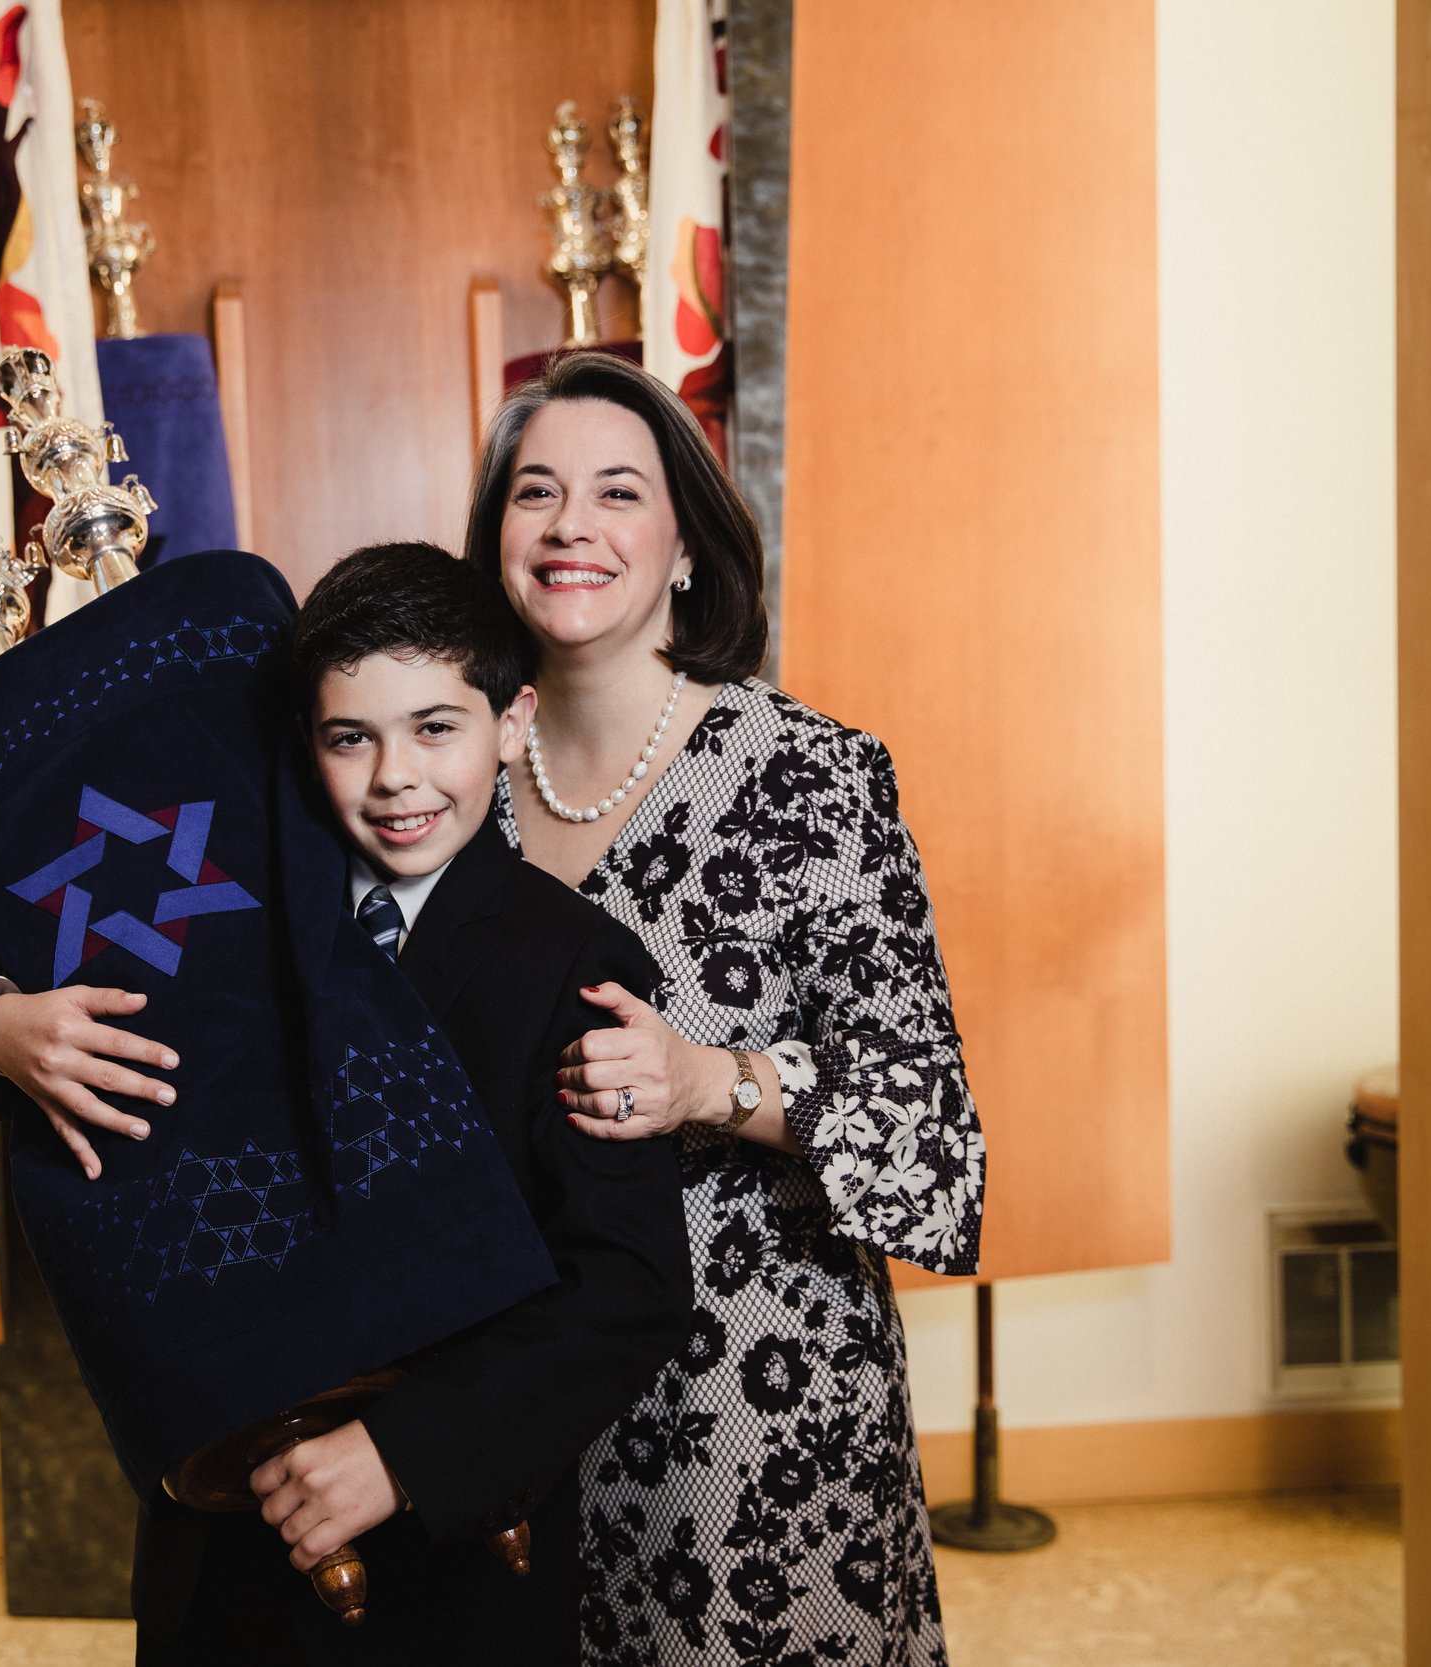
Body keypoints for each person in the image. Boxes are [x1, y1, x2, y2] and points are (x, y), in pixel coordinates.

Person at [0, 542, 693, 1665]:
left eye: (436, 726)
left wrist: (402, 1452)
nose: (396, 777)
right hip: (214, 1541)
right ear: (305, 738)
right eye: (352, 736)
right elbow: (46, 1012)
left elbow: (626, 1286)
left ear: (513, 716)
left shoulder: (572, 962)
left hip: (447, 1562)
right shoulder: (211, 893)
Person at [461, 350, 984, 1667]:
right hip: (509, 1413)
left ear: (684, 542)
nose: (572, 523)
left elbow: (925, 1133)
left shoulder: (811, 775)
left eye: (617, 492)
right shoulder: (444, 787)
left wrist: (709, 1079)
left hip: (757, 1418)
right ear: (498, 541)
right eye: (537, 492)